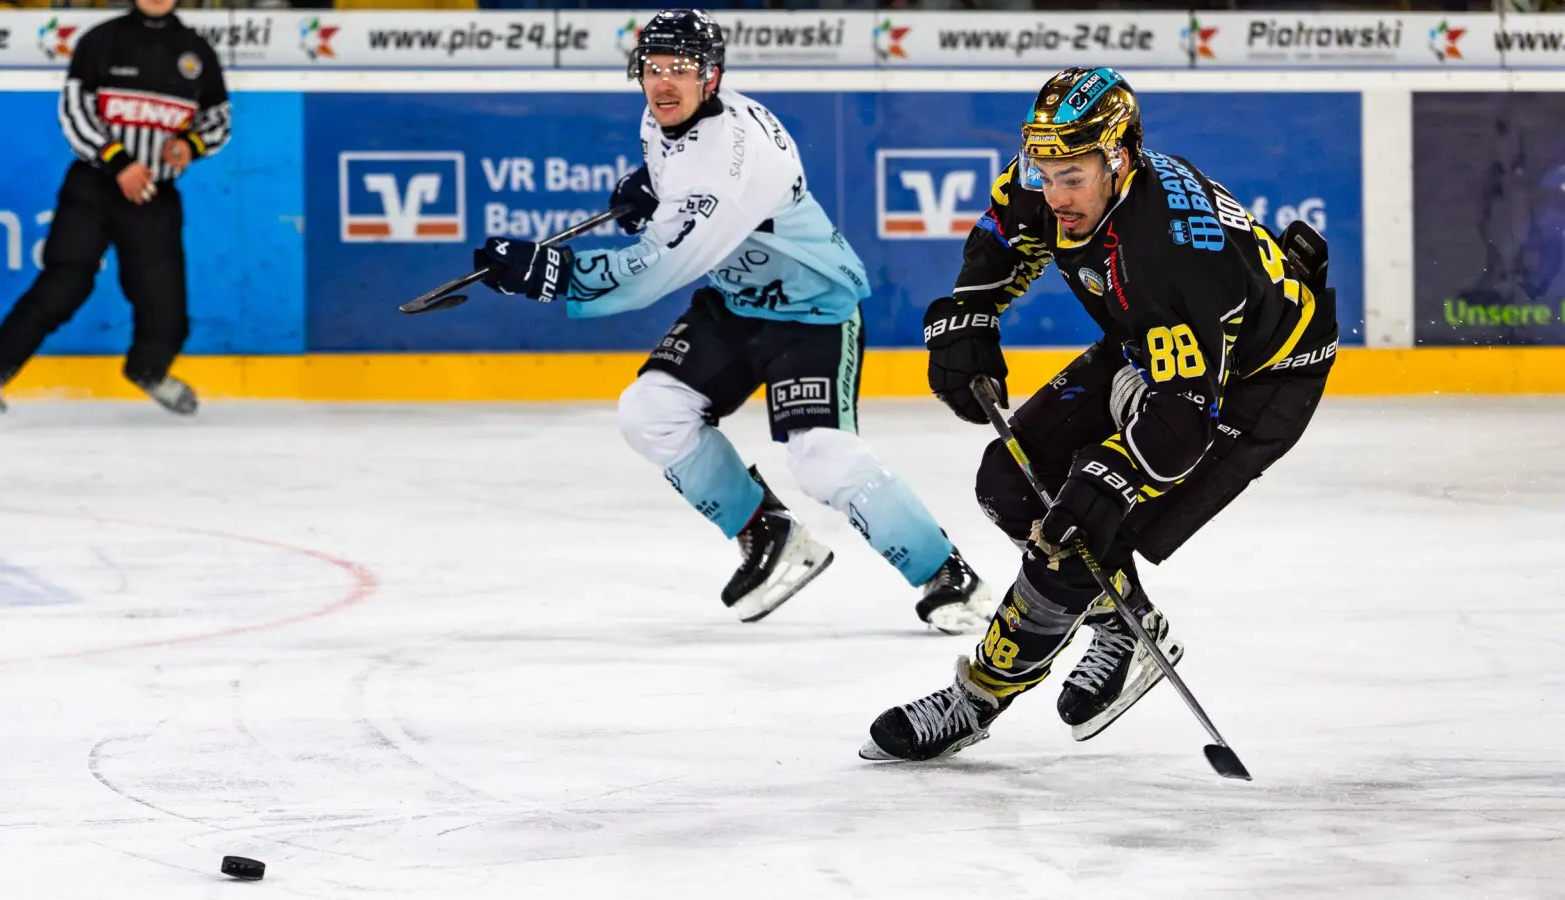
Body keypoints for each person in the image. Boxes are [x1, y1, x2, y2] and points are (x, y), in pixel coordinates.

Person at [861, 67, 1339, 761]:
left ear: (1120, 158)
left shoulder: (1171, 253)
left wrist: (1108, 480)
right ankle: (1126, 623)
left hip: (1257, 383)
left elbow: (1180, 423)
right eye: (1045, 172)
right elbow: (1003, 233)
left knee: (1079, 530)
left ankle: (978, 698)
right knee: (1011, 482)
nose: (1055, 195)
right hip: (1155, 348)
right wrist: (972, 312)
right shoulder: (1059, 178)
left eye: (1072, 177)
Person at [467, 9, 995, 633]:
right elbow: (679, 188)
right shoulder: (665, 116)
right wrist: (653, 190)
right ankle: (767, 533)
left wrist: (552, 273)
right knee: (649, 412)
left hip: (811, 310)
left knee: (821, 457)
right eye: (653, 68)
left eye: (681, 68)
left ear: (711, 76)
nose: (664, 83)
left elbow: (653, 271)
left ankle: (948, 574)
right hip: (735, 302)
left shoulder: (730, 163)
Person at [0, 0, 230, 416]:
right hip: (92, 188)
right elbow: (74, 111)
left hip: (153, 196)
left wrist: (189, 145)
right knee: (64, 284)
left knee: (166, 307)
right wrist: (119, 163)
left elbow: (218, 120)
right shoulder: (102, 40)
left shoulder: (197, 51)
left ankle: (149, 371)